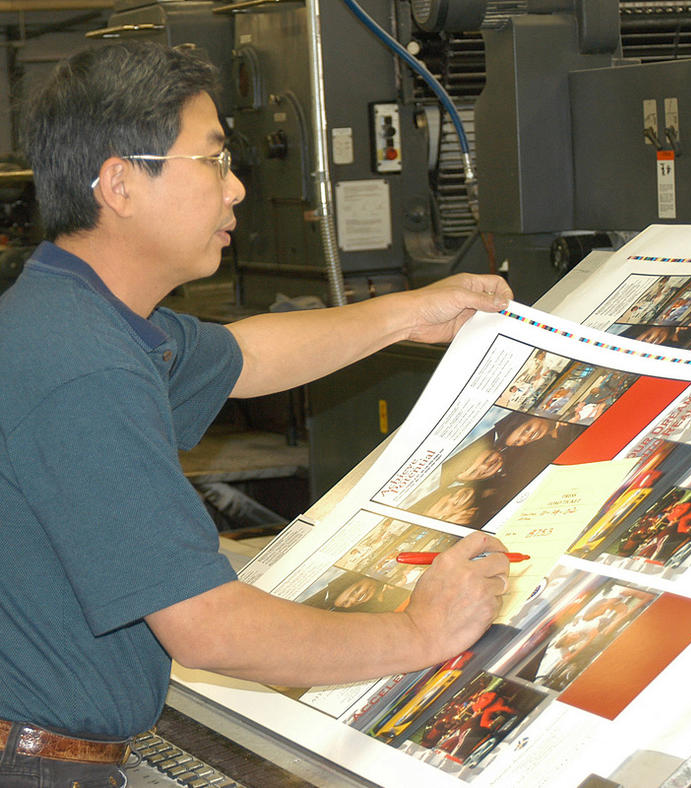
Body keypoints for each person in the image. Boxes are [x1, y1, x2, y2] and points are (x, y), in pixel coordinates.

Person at [0, 41, 514, 786]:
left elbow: (247, 356)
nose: (236, 188)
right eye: (211, 161)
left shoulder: (68, 311)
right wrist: (419, 630)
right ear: (119, 184)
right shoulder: (87, 369)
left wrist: (411, 314)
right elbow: (210, 627)